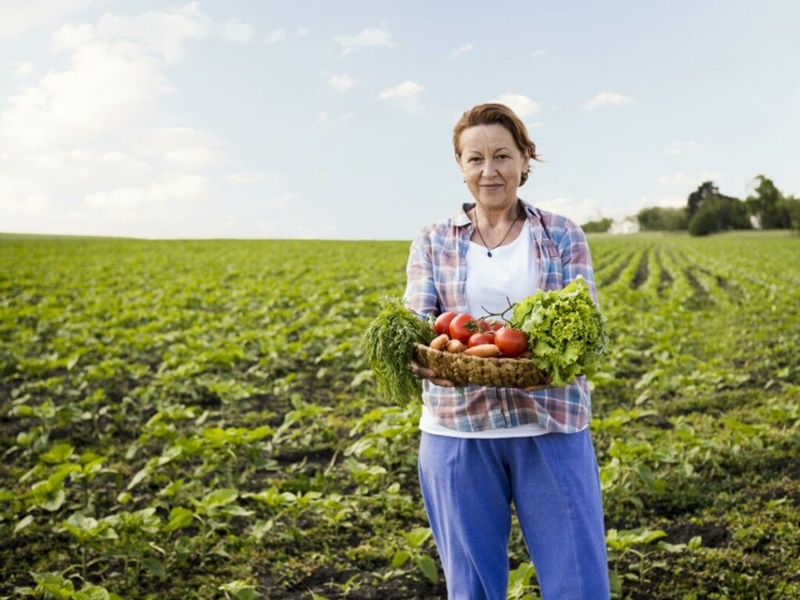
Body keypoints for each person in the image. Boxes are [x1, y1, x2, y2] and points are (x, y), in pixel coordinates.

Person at [404, 102, 610, 599]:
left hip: (550, 423)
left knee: (577, 582)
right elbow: (416, 322)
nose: (489, 171)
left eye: (502, 155)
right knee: (471, 588)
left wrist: (552, 356)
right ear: (461, 167)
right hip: (457, 430)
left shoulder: (560, 233)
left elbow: (587, 329)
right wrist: (424, 361)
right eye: (475, 159)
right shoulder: (433, 239)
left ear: (524, 160)